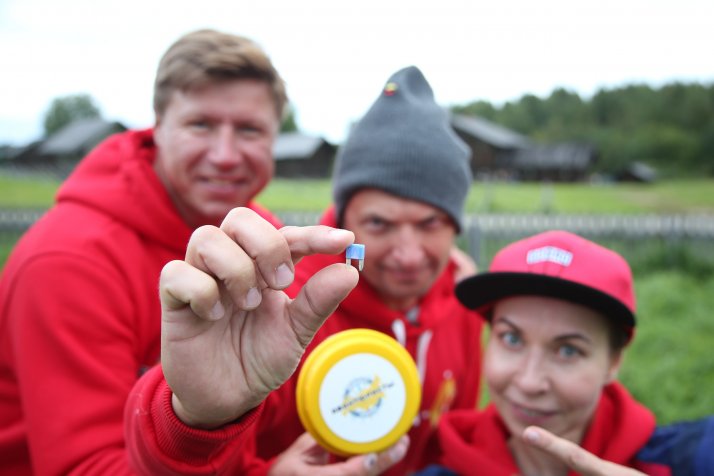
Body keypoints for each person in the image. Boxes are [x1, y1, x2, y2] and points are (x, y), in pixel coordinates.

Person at [125, 66, 486, 475]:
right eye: (379, 224)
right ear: (344, 219)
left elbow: (450, 443)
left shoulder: (462, 302)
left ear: (455, 226)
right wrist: (197, 417)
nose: (407, 254)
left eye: (430, 224)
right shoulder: (282, 305)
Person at [0, 28, 291, 474]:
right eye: (201, 125)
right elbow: (85, 467)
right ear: (157, 126)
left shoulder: (264, 240)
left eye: (250, 130)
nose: (225, 155)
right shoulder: (68, 261)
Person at [420, 230, 714, 476]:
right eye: (511, 338)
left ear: (613, 362)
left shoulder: (684, 460)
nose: (529, 382)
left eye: (567, 350)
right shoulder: (441, 468)